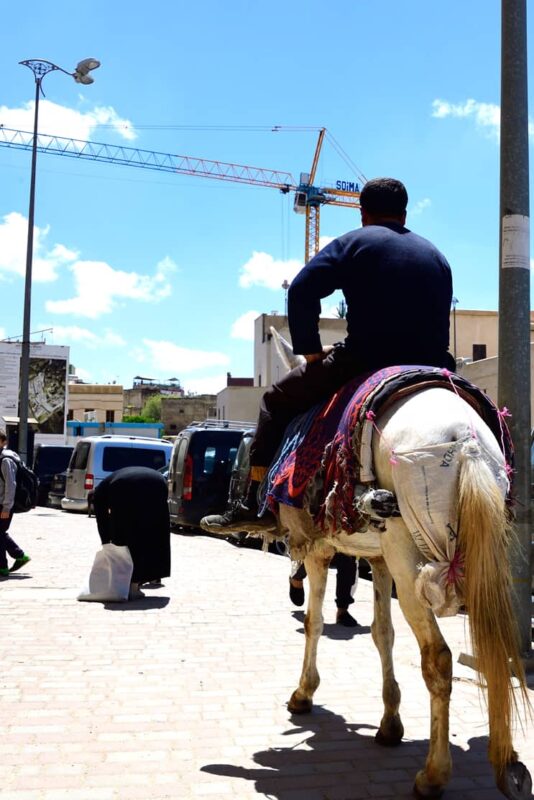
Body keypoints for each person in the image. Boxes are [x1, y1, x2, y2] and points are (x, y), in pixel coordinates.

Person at [202, 177, 454, 531]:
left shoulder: (354, 243)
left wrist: (309, 351)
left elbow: (302, 289)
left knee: (274, 401)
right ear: (405, 213)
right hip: (433, 365)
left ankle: (255, 503)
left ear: (362, 212)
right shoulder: (436, 255)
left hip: (365, 360)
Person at [92, 466, 170, 599]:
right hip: (158, 481)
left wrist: (107, 543)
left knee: (127, 536)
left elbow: (102, 521)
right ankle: (152, 576)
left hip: (124, 486)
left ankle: (132, 585)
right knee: (155, 531)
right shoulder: (105, 486)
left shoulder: (100, 495)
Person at [289, 553, 359, 627]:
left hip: (336, 546)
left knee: (348, 559)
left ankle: (342, 611)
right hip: (311, 546)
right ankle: (296, 579)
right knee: (307, 554)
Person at [0, 429, 31, 577]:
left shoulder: (6, 460)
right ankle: (19, 555)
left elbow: (10, 485)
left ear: (3, 442)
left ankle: (3, 567)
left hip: (4, 504)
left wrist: (6, 507)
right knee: (0, 533)